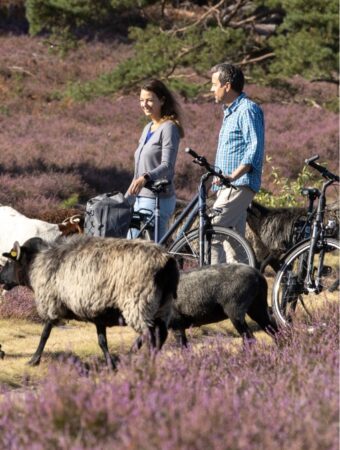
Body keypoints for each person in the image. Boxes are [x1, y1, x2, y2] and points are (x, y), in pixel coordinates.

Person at [209, 63, 265, 263]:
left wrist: (233, 175)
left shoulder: (247, 109)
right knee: (234, 244)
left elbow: (254, 148)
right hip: (228, 185)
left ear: (227, 85)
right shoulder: (231, 111)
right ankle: (246, 290)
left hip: (238, 184)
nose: (211, 89)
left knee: (211, 232)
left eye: (214, 84)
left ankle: (212, 288)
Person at [127, 79, 184, 240]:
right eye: (141, 100)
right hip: (139, 198)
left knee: (152, 251)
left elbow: (167, 165)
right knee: (130, 246)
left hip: (157, 199)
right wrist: (125, 200)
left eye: (150, 100)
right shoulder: (147, 128)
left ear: (162, 100)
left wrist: (146, 177)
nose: (145, 104)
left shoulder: (169, 128)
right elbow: (138, 171)